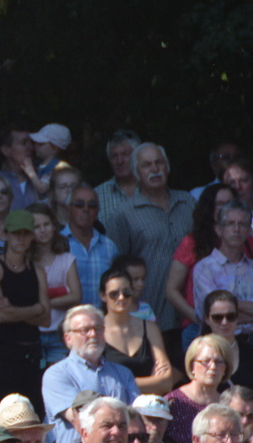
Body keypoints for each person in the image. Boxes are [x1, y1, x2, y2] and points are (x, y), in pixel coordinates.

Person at [105, 143, 196, 334]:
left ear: (167, 167)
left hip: (192, 311)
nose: (154, 169)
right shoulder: (124, 213)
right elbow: (117, 267)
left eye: (159, 163)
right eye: (146, 165)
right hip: (151, 313)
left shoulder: (188, 202)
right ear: (136, 172)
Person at [41, 305, 139, 443]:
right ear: (68, 338)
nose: (93, 334)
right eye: (84, 330)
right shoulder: (57, 374)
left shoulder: (123, 374)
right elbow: (80, 421)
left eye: (98, 328)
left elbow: (136, 418)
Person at [0, 209, 49, 408]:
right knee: (0, 414)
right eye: (15, 233)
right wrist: (35, 308)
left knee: (34, 414)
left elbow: (46, 319)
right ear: (6, 234)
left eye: (26, 233)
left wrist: (14, 310)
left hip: (31, 352)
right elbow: (0, 316)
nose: (21, 238)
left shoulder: (37, 271)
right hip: (2, 353)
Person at [161, 183, 243, 341]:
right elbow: (172, 290)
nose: (225, 208)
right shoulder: (192, 242)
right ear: (209, 207)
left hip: (242, 327)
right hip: (200, 328)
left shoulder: (246, 241)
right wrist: (198, 318)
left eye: (230, 203)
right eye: (219, 203)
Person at [100, 266, 174, 395]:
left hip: (147, 408)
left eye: (127, 292)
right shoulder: (96, 331)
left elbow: (166, 383)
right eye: (114, 293)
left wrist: (118, 383)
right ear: (103, 296)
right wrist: (151, 382)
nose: (121, 297)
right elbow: (97, 382)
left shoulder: (150, 328)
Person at [164, 333, 236, 443]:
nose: (213, 367)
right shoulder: (172, 402)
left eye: (219, 362)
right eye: (205, 361)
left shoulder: (230, 405)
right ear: (192, 366)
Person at [26, 203, 81, 366]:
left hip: (59, 333)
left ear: (54, 225)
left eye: (46, 225)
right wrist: (61, 295)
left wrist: (43, 304)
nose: (43, 230)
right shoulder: (26, 262)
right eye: (36, 226)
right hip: (33, 332)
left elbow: (76, 296)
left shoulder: (66, 259)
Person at [187, 202, 253, 333]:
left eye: (242, 224)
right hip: (220, 344)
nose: (236, 229)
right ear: (219, 229)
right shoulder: (204, 268)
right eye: (230, 223)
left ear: (249, 231)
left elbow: (224, 314)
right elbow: (214, 315)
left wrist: (230, 309)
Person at [64, 183, 119, 308]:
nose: (86, 209)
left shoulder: (110, 247)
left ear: (98, 211)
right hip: (65, 323)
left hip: (101, 323)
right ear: (68, 209)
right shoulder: (55, 244)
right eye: (79, 204)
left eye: (92, 205)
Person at [95, 129, 142, 228]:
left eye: (125, 154)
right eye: (114, 156)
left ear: (137, 156)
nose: (119, 161)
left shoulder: (152, 190)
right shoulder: (96, 196)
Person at [0, 127, 43, 209]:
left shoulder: (43, 176)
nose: (31, 148)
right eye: (24, 143)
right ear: (6, 150)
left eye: (31, 143)